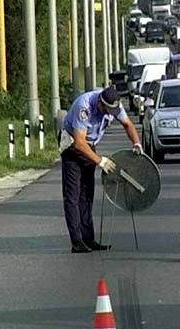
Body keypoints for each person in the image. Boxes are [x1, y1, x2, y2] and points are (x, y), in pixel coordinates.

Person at [59, 86, 143, 253]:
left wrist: (136, 143)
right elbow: (79, 143)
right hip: (72, 145)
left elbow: (127, 124)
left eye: (112, 111)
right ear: (100, 102)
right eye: (106, 110)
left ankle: (88, 239)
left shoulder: (113, 107)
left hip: (89, 146)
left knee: (87, 194)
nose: (109, 114)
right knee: (73, 195)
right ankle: (77, 242)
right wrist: (100, 161)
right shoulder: (84, 107)